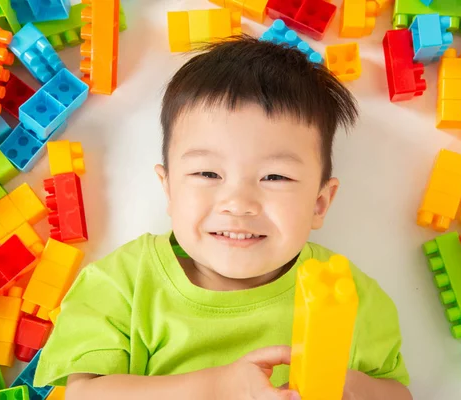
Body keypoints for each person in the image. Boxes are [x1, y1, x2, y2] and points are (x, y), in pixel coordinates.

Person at [34, 36, 412, 400]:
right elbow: (84, 394)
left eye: (275, 177)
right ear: (168, 189)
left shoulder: (350, 296)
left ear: (319, 203)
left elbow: (398, 392)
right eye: (208, 174)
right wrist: (217, 389)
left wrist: (347, 387)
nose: (238, 203)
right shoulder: (122, 284)